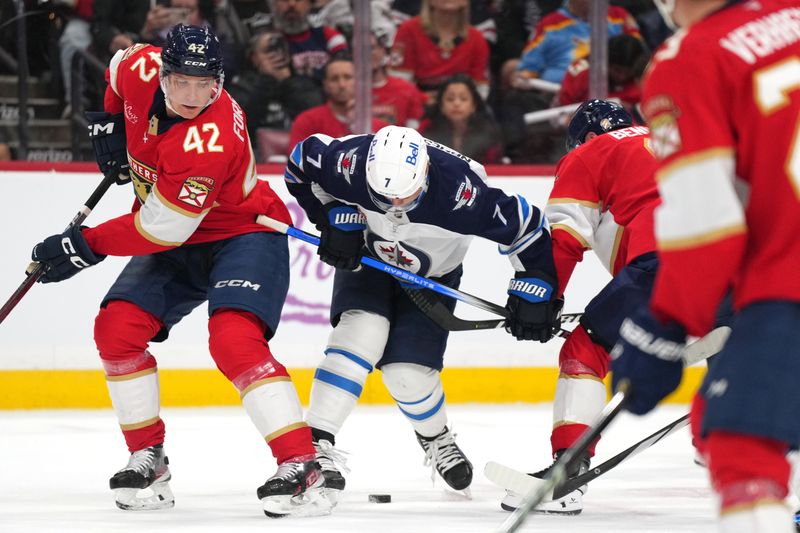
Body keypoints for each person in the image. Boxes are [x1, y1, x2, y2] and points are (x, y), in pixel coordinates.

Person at [29, 24, 331, 519]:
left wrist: (84, 244)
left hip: (243, 233)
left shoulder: (206, 144)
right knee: (116, 329)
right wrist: (107, 125)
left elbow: (160, 230)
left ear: (219, 81)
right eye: (181, 81)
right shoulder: (139, 65)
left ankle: (301, 462)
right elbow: (114, 74)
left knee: (233, 340)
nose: (193, 95)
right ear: (162, 72)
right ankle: (149, 458)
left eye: (205, 83)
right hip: (175, 231)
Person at [282, 124, 563, 501]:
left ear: (425, 175)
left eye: (405, 197)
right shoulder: (349, 162)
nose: (395, 208)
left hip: (433, 276)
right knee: (359, 335)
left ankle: (435, 437)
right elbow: (300, 164)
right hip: (367, 260)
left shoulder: (462, 194)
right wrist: (331, 214)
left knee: (408, 376)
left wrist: (537, 286)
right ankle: (316, 444)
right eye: (384, 198)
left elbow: (527, 226)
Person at [609, 1, 800, 532]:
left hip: (790, 276)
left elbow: (705, 221)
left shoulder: (688, 58)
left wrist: (666, 323)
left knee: (743, 447)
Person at [500, 99, 659, 515]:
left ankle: (567, 473)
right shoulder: (676, 139)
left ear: (586, 138)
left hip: (667, 266)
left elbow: (566, 239)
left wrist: (541, 298)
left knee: (586, 347)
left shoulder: (591, 152)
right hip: (748, 268)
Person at [389, 0, 490, 100]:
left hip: (460, 105)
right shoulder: (408, 30)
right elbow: (399, 81)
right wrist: (422, 99)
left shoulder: (476, 38)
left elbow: (480, 88)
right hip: (417, 103)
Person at [288, 54, 389, 150]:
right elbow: (296, 160)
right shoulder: (308, 121)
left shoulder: (381, 128)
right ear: (326, 84)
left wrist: (356, 126)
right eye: (334, 79)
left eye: (348, 77)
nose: (342, 85)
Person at [419, 74, 503, 163]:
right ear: (441, 106)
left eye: (463, 99)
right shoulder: (427, 130)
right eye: (450, 99)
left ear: (473, 105)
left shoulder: (489, 133)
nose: (456, 103)